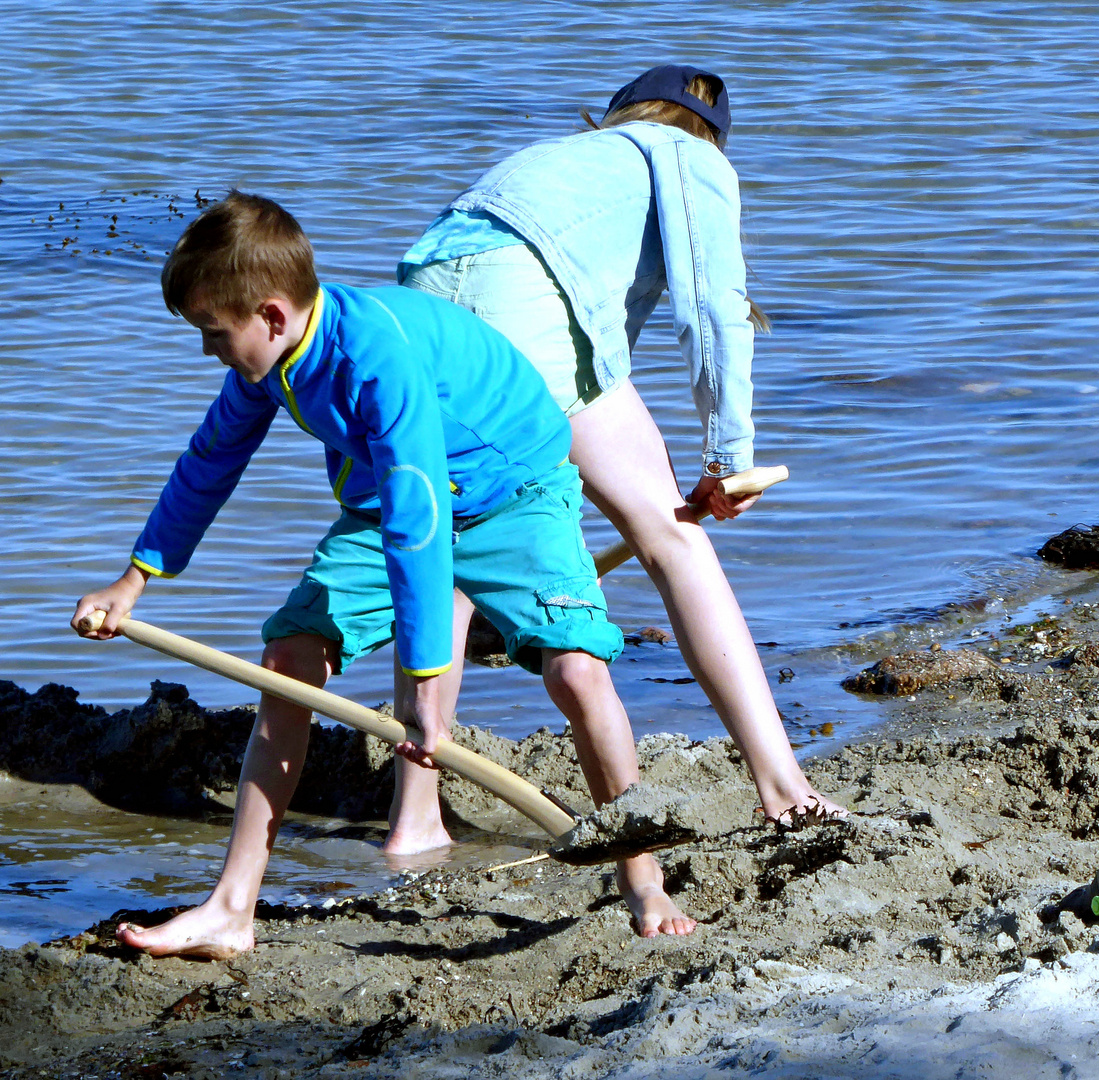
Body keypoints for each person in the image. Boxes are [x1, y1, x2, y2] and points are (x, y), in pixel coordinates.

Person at [71, 192, 695, 956]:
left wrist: (428, 690)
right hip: (399, 493)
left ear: (270, 316)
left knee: (574, 672)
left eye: (213, 334)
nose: (209, 353)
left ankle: (642, 875)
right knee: (288, 659)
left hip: (512, 485)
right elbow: (210, 463)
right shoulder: (269, 366)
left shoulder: (377, 359)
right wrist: (134, 579)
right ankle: (233, 908)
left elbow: (418, 521)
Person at [392, 64, 844, 849]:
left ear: (618, 112)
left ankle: (415, 820)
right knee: (673, 537)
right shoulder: (692, 158)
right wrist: (726, 458)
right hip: (519, 292)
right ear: (711, 135)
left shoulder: (567, 157)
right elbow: (715, 309)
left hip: (419, 293)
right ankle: (784, 787)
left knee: (449, 557)